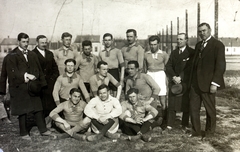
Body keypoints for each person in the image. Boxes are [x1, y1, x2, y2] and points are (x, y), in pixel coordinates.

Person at [0, 33, 53, 140]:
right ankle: (24, 133)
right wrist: (25, 75)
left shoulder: (32, 54)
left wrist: (43, 85)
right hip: (18, 86)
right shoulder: (11, 55)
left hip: (32, 86)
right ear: (18, 42)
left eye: (27, 42)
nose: (25, 44)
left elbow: (38, 70)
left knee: (38, 107)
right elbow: (11, 73)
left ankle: (43, 129)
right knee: (22, 110)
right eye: (23, 42)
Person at [189, 23, 226, 137]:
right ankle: (196, 131)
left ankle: (209, 133)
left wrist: (214, 83)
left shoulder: (218, 45)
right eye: (200, 31)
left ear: (210, 30)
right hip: (195, 84)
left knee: (209, 109)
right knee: (193, 108)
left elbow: (220, 66)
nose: (202, 33)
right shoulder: (198, 45)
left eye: (204, 31)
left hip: (209, 84)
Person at [164, 33, 195, 133]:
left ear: (186, 40)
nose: (179, 41)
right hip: (174, 82)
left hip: (185, 82)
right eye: (177, 39)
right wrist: (173, 77)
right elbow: (168, 66)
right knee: (172, 104)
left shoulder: (191, 52)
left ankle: (184, 124)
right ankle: (169, 125)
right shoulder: (173, 53)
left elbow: (190, 67)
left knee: (185, 104)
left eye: (181, 39)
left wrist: (180, 77)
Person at [32, 35, 59, 120]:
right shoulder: (32, 54)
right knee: (39, 104)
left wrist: (53, 78)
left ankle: (48, 122)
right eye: (42, 43)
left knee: (49, 103)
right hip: (38, 83)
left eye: (45, 42)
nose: (44, 44)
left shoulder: (49, 53)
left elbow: (55, 68)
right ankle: (40, 122)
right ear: (37, 43)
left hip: (49, 83)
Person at [144, 35, 169, 126]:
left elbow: (167, 67)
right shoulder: (146, 54)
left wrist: (166, 79)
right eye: (151, 44)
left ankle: (164, 119)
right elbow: (145, 67)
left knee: (162, 98)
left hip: (160, 75)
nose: (153, 46)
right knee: (151, 98)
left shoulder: (164, 54)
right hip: (150, 74)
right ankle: (150, 118)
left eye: (154, 44)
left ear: (158, 44)